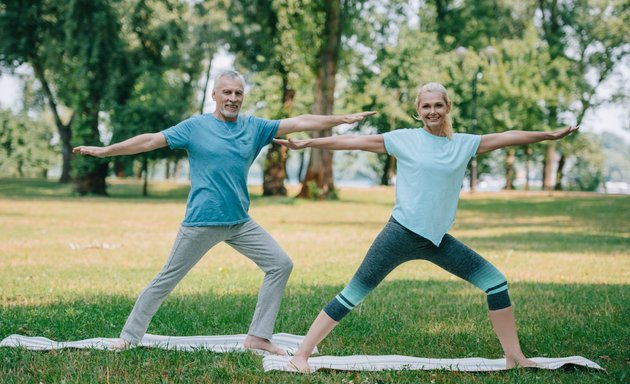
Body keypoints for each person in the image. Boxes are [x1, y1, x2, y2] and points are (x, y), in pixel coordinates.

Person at [275, 82, 579, 371]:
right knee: (353, 294)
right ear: (418, 110)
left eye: (438, 105)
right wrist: (308, 142)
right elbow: (353, 142)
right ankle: (302, 355)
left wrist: (548, 136)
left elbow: (508, 136)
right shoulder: (405, 139)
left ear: (447, 107)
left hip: (436, 240)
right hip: (400, 234)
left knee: (495, 282)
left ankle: (514, 356)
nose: (432, 111)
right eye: (425, 106)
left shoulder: (464, 144)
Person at [73, 69, 375, 354]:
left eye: (238, 93)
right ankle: (128, 337)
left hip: (240, 222)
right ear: (214, 96)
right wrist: (106, 151)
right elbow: (151, 140)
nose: (233, 98)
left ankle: (258, 337)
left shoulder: (254, 127)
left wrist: (342, 118)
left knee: (280, 264)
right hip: (201, 222)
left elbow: (298, 121)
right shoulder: (195, 127)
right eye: (227, 92)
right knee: (166, 280)